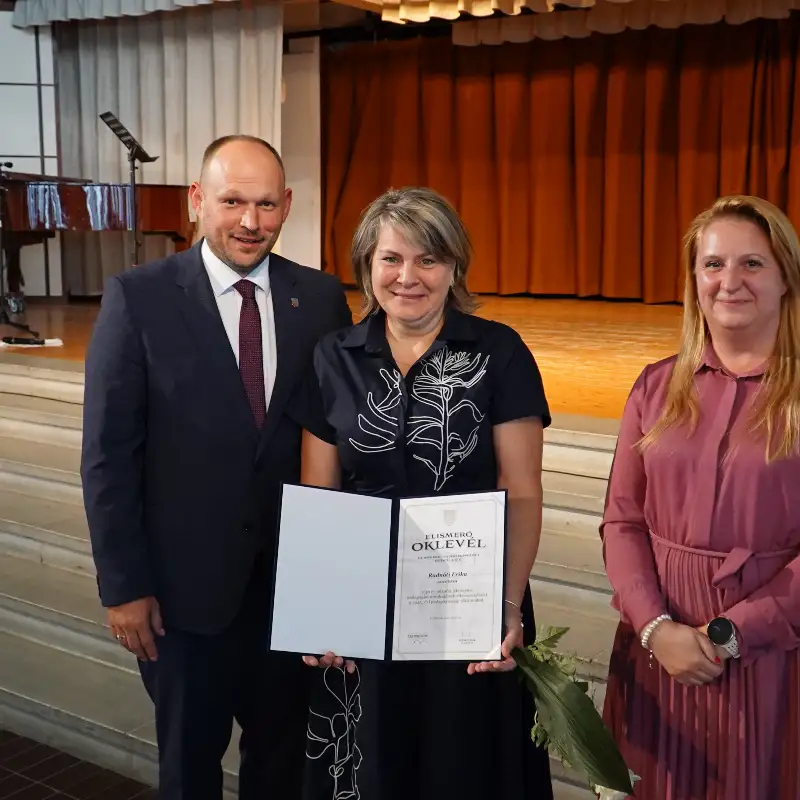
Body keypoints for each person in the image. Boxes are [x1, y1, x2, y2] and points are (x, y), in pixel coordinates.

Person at [80, 135, 352, 800]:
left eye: (266, 204)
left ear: (288, 204)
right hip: (181, 601)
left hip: (290, 594)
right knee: (188, 770)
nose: (251, 221)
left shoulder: (320, 299)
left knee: (282, 769)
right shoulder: (137, 298)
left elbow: (335, 438)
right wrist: (123, 586)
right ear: (197, 200)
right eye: (232, 202)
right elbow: (109, 457)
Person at [297, 187, 554, 799]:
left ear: (454, 267)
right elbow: (320, 493)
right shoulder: (333, 356)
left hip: (468, 601)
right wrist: (322, 611)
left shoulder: (499, 351)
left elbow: (521, 491)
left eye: (428, 259)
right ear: (367, 266)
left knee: (463, 767)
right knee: (371, 767)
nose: (407, 276)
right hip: (364, 606)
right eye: (391, 259)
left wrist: (507, 607)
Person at [601, 195, 800, 799]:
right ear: (694, 280)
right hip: (657, 651)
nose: (729, 281)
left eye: (752, 264)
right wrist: (656, 628)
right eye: (713, 264)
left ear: (786, 277)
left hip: (772, 656)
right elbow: (622, 522)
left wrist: (730, 635)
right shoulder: (655, 386)